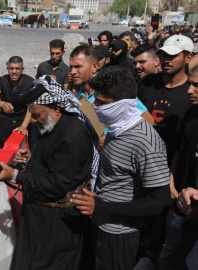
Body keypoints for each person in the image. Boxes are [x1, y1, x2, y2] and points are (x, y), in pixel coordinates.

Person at [70, 66, 170, 270]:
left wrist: (102, 207)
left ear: (121, 105)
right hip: (97, 224)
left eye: (101, 103)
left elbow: (160, 203)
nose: (94, 106)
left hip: (120, 236)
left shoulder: (146, 143)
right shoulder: (116, 129)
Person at [0, 75, 99, 270]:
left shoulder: (72, 134)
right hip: (36, 218)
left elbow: (59, 184)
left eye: (36, 115)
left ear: (56, 109)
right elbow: (50, 160)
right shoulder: (48, 124)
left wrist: (15, 175)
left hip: (58, 223)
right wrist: (30, 158)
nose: (32, 121)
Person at [70, 45, 154, 151]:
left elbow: (149, 122)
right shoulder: (76, 99)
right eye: (71, 67)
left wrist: (111, 139)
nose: (72, 72)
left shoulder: (113, 91)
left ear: (95, 67)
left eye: (78, 67)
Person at [159, 66, 198, 270]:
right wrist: (172, 186)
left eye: (196, 85)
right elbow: (179, 152)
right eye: (189, 83)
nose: (189, 90)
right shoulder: (191, 114)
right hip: (179, 205)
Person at [138, 34, 193, 166]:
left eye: (173, 56)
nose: (166, 60)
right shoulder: (147, 83)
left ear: (188, 58)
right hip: (140, 158)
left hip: (171, 165)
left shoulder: (192, 92)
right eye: (163, 55)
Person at [0, 56, 34, 151]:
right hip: (6, 120)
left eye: (17, 68)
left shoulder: (30, 82)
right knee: (3, 151)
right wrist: (2, 104)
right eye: (11, 68)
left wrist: (24, 126)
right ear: (7, 69)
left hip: (23, 120)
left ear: (22, 69)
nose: (14, 72)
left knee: (23, 153)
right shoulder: (1, 81)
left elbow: (32, 106)